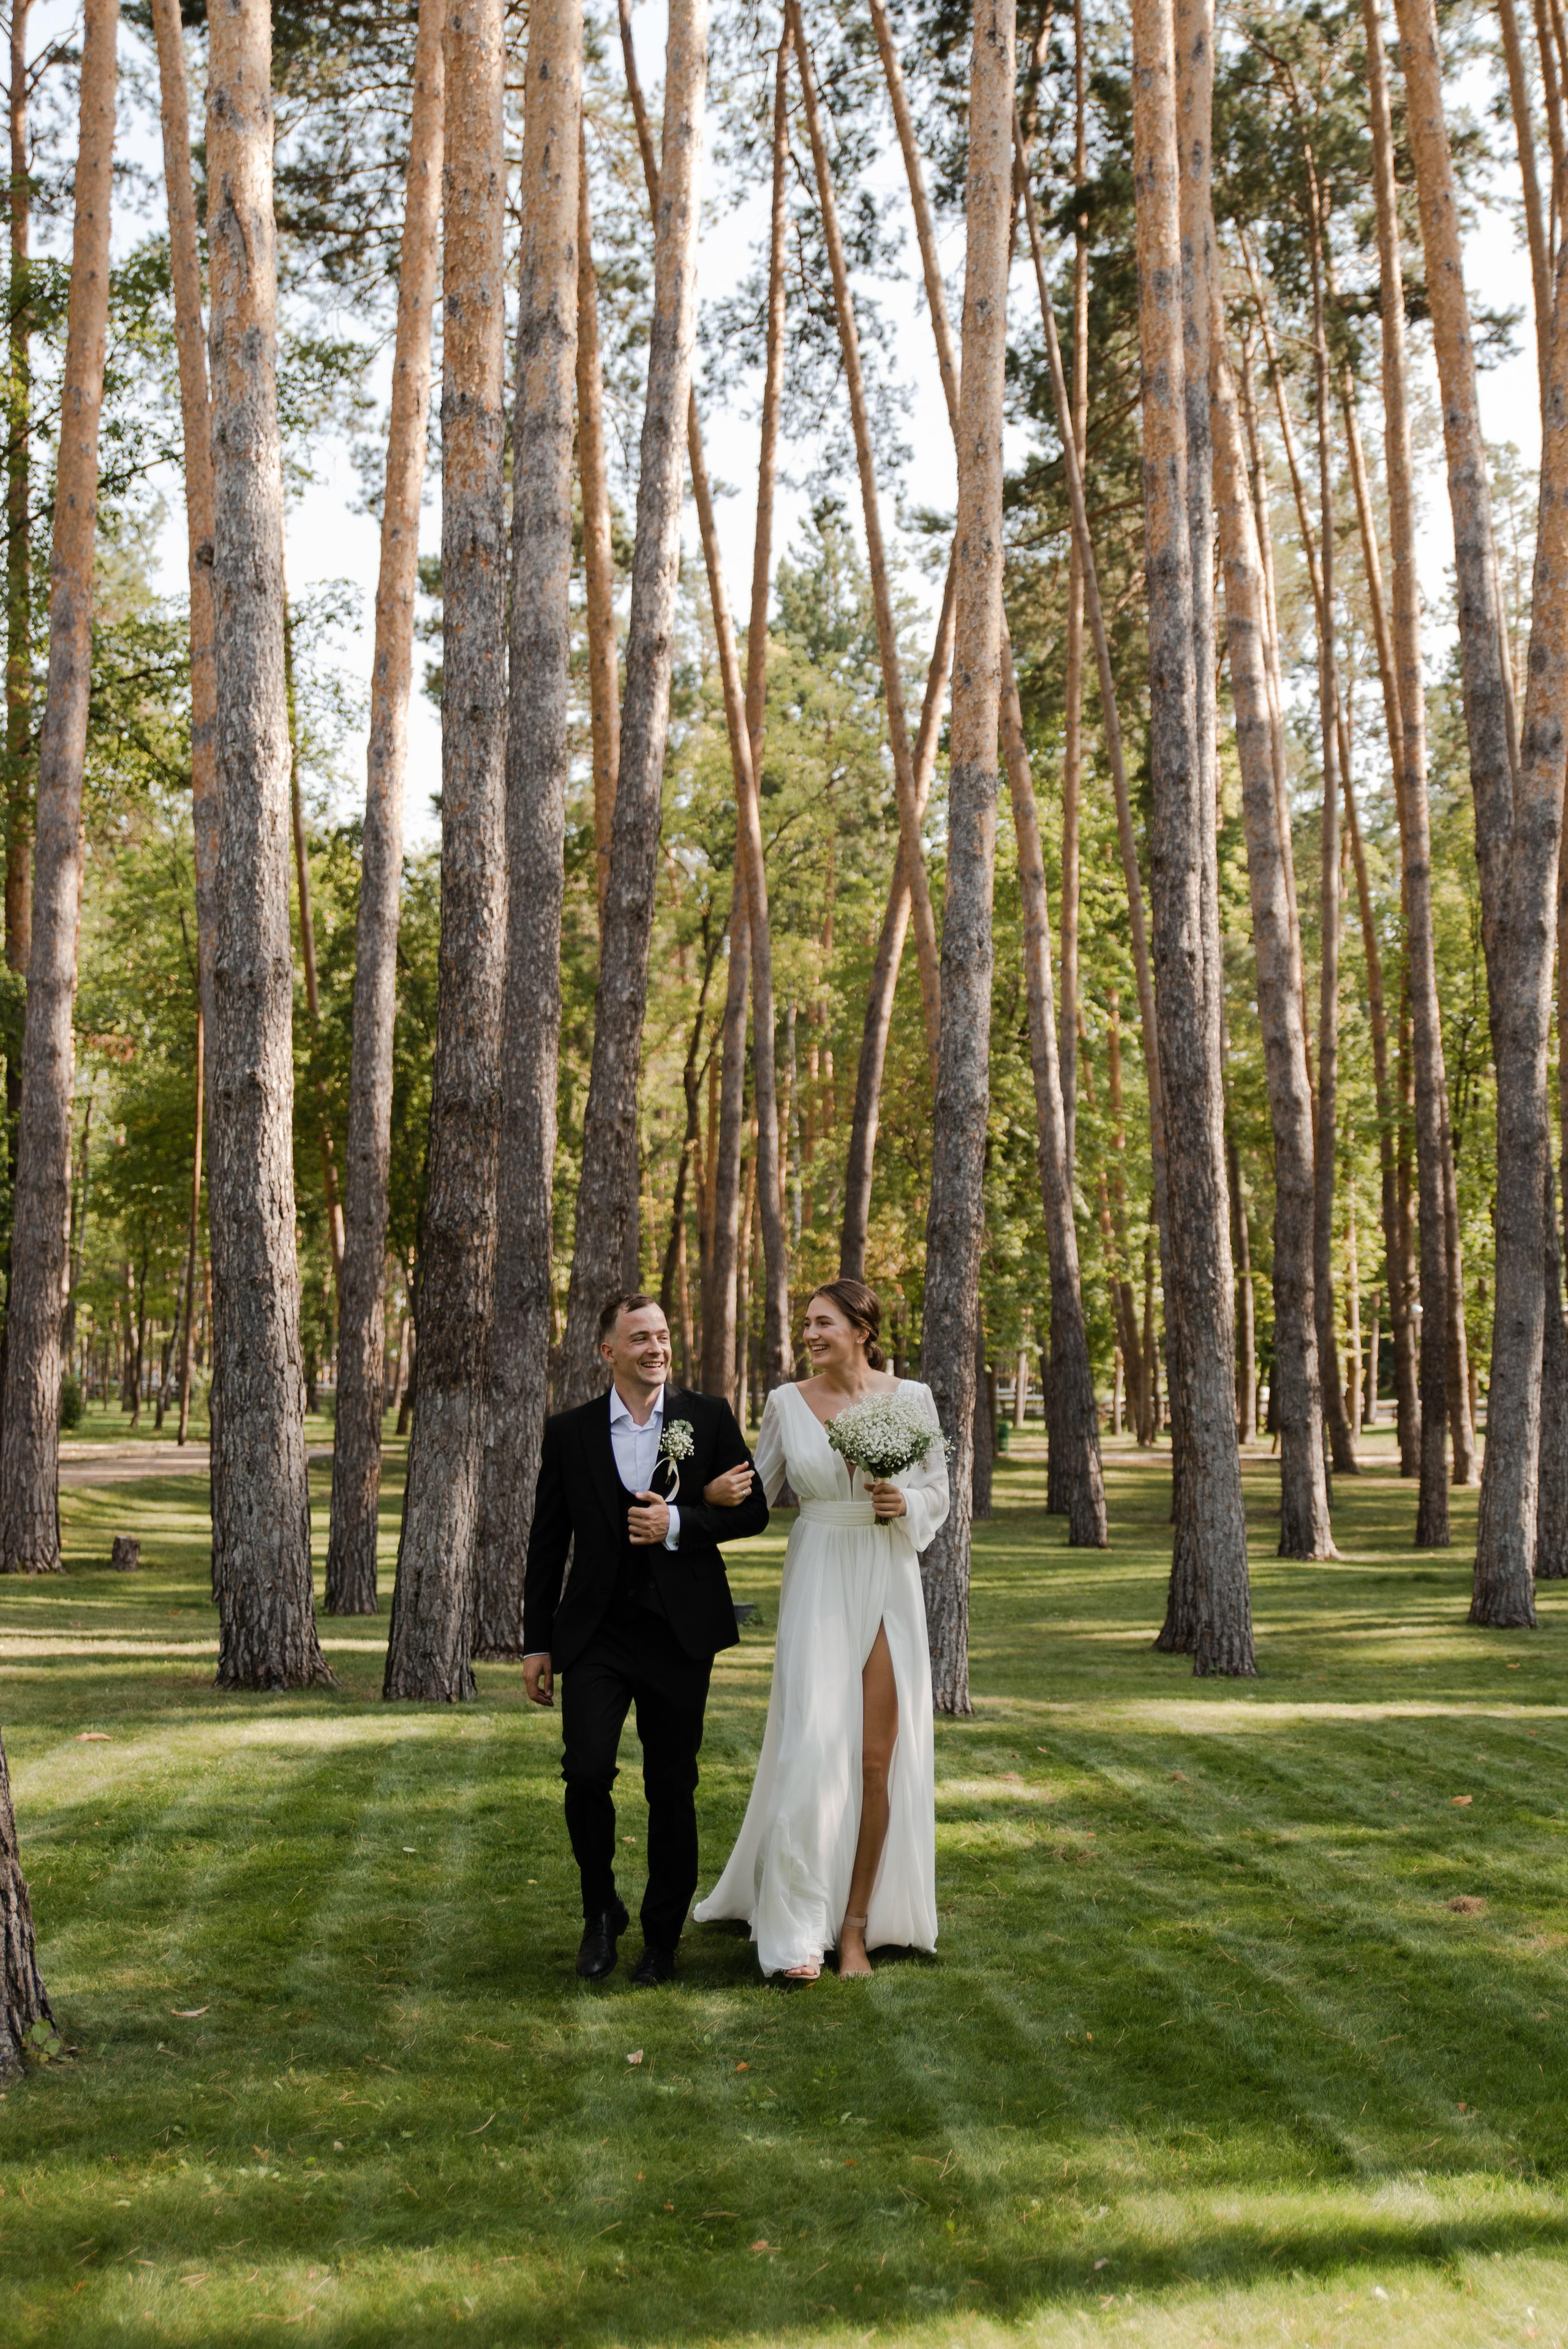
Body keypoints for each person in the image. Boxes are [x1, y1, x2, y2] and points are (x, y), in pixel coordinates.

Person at [694, 1280, 948, 1982]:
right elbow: (756, 1494)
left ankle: (859, 1926)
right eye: (804, 1323)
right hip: (817, 1575)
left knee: (875, 1760)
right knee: (811, 1748)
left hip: (887, 1574)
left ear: (862, 1330)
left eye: (823, 1322)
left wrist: (907, 1501)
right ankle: (798, 1933)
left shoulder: (912, 1399)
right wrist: (702, 1500)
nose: (809, 1334)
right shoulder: (785, 1403)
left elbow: (939, 1493)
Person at [522, 1295, 768, 1986]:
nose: (656, 1347)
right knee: (587, 1771)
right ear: (608, 1352)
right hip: (595, 1632)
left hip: (676, 1632)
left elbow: (752, 1511)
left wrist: (683, 1520)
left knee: (671, 1784)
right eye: (640, 1338)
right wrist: (534, 1643)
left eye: (661, 1335)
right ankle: (600, 1911)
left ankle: (661, 1940)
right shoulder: (568, 1431)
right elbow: (547, 1544)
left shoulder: (707, 1416)